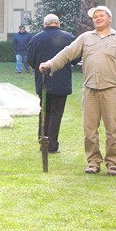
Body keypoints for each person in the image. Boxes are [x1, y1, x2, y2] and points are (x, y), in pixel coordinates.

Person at [39, 6, 116, 176]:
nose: (97, 18)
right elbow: (67, 53)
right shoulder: (85, 38)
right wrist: (50, 64)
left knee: (112, 130)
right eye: (95, 17)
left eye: (101, 16)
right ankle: (93, 162)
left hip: (112, 90)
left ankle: (112, 164)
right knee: (89, 130)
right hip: (89, 90)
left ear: (109, 18)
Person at [27, 14, 77, 154]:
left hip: (42, 80)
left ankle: (42, 142)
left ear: (44, 25)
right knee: (56, 114)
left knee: (44, 111)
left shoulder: (36, 38)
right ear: (59, 23)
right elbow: (75, 59)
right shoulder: (68, 38)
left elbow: (31, 60)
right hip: (61, 82)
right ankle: (52, 145)